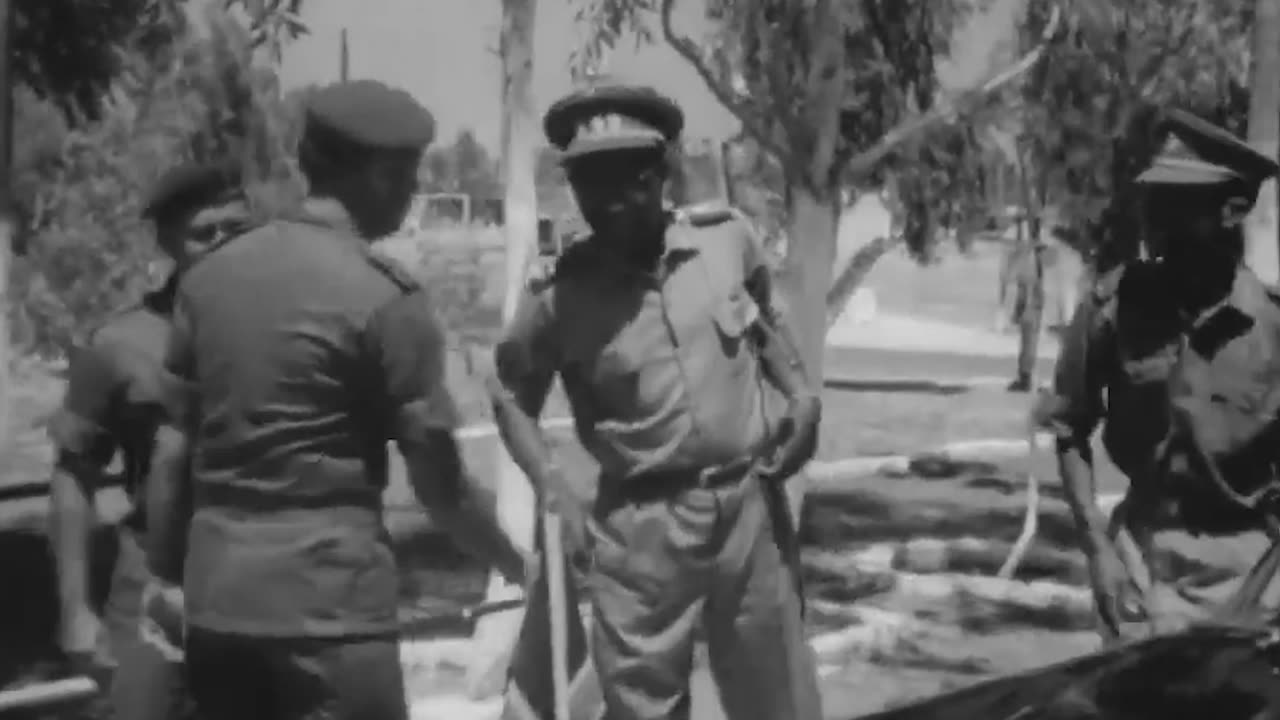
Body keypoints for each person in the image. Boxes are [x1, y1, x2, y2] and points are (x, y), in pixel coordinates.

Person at [142, 79, 530, 720]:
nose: (412, 193)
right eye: (409, 175)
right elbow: (441, 485)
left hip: (221, 608)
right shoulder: (383, 299)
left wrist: (162, 576)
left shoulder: (208, 282)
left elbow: (171, 449)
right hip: (331, 615)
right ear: (379, 176)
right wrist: (517, 565)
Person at [491, 81, 823, 720]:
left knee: (779, 696)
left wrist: (800, 396)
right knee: (644, 707)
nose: (609, 200)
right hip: (643, 532)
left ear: (664, 171)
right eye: (590, 180)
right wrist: (549, 481)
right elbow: (508, 393)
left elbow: (761, 321)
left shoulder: (725, 241)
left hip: (749, 511)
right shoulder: (559, 296)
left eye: (630, 177)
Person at [1036, 109, 1280, 644]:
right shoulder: (1111, 305)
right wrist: (1098, 549)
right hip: (1141, 569)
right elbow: (1068, 429)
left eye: (1173, 205)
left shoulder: (1273, 328)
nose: (1152, 219)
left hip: (1250, 577)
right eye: (1152, 200)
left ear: (1231, 210)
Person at [48, 160, 248, 719]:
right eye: (204, 233)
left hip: (256, 574)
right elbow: (72, 478)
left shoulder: (281, 330)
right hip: (150, 577)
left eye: (236, 229)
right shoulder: (118, 344)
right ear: (167, 241)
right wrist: (75, 611)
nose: (222, 244)